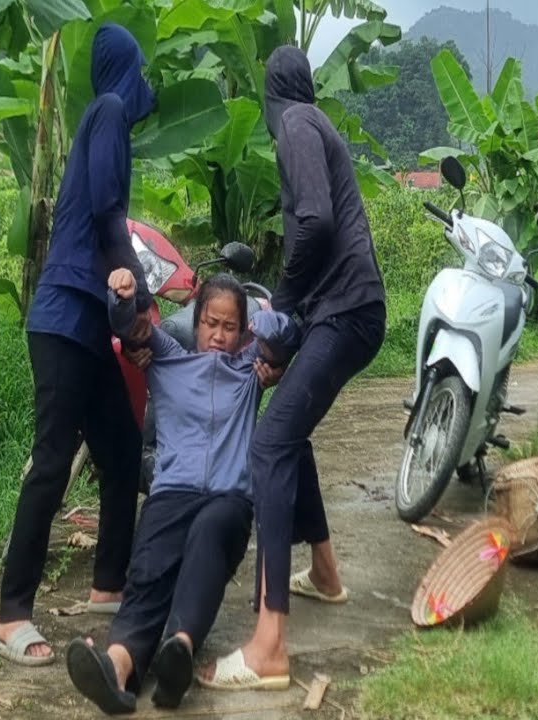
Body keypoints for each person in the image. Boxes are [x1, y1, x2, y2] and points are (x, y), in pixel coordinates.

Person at [197, 45, 386, 691]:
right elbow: (323, 246)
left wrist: (278, 307)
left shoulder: (298, 123)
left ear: (271, 92)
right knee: (289, 432)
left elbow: (316, 223)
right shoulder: (317, 122)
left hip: (346, 312)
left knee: (270, 446)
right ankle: (325, 574)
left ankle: (269, 644)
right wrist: (281, 343)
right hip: (348, 310)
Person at [0, 23, 157, 667]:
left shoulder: (104, 119)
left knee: (121, 449)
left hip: (86, 325)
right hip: (63, 319)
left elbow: (106, 226)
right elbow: (109, 217)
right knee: (53, 462)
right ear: (127, 68)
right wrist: (141, 300)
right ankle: (10, 615)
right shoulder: (109, 109)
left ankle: (108, 585)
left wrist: (126, 314)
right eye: (140, 71)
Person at [65, 269, 299, 713]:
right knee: (149, 568)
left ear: (241, 331)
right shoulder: (167, 358)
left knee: (209, 533)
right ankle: (117, 667)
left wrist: (265, 325)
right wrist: (122, 295)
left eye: (230, 326)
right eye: (210, 323)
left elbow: (285, 339)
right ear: (196, 322)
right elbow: (129, 327)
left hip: (229, 500)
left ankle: (180, 648)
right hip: (171, 493)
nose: (218, 335)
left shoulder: (250, 370)